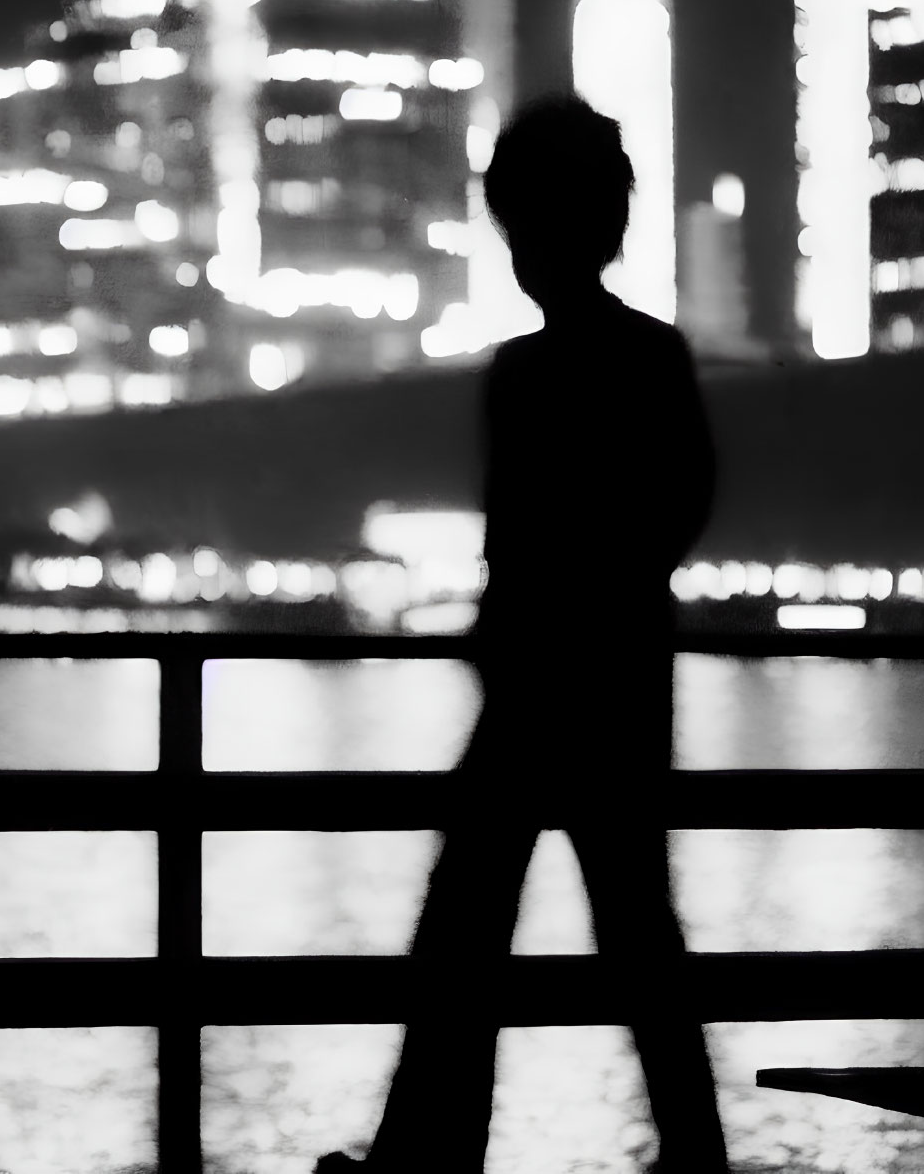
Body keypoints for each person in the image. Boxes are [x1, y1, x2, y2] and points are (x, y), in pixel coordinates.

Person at [316, 96, 726, 1173]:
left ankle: (427, 1156)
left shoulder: (524, 374)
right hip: (618, 688)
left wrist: (516, 625)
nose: (521, 249)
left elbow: (517, 543)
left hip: (533, 694)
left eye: (521, 225)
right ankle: (692, 1158)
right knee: (637, 940)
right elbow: (678, 505)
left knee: (464, 933)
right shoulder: (649, 357)